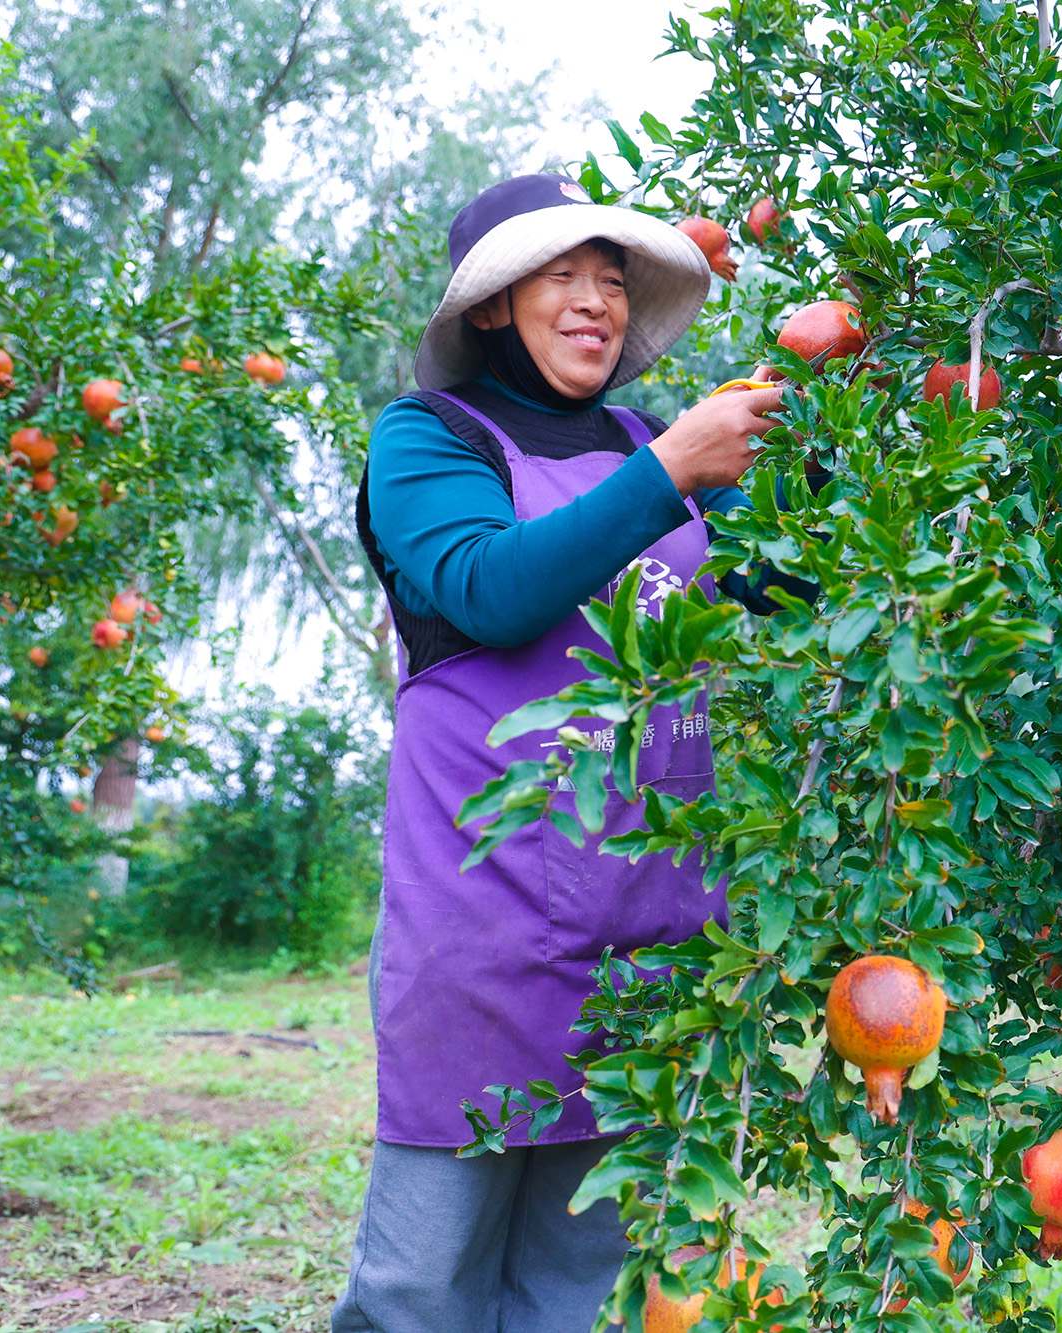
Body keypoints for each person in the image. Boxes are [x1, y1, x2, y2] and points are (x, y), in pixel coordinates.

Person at [334, 174, 796, 1333]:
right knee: (418, 1287)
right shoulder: (428, 439)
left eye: (610, 279)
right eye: (560, 276)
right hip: (480, 935)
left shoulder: (649, 444)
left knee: (578, 1291)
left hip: (653, 928)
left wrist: (846, 446)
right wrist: (673, 471)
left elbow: (794, 589)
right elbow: (490, 590)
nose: (594, 299)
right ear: (492, 306)